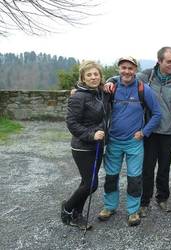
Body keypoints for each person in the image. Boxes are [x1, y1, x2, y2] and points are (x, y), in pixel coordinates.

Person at [105, 47, 171, 216]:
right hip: (148, 131)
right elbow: (124, 77)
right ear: (159, 61)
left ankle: (162, 198)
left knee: (164, 168)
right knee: (147, 169)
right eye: (169, 62)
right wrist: (110, 81)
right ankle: (144, 202)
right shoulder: (147, 76)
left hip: (168, 132)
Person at [97, 56, 161, 227]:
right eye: (123, 67)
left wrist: (144, 132)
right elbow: (89, 90)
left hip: (134, 142)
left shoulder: (143, 89)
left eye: (130, 68)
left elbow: (157, 114)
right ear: (119, 69)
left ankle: (133, 211)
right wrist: (75, 91)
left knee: (134, 178)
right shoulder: (111, 87)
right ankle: (109, 207)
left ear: (135, 70)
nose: (126, 71)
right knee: (111, 177)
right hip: (113, 141)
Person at [61, 60, 108, 230]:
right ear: (83, 78)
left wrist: (110, 84)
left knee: (87, 183)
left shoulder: (101, 93)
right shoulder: (78, 96)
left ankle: (77, 214)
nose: (93, 77)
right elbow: (71, 123)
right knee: (91, 184)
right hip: (82, 146)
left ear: (100, 76)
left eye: (96, 74)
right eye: (89, 75)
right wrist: (91, 135)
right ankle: (67, 208)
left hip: (97, 145)